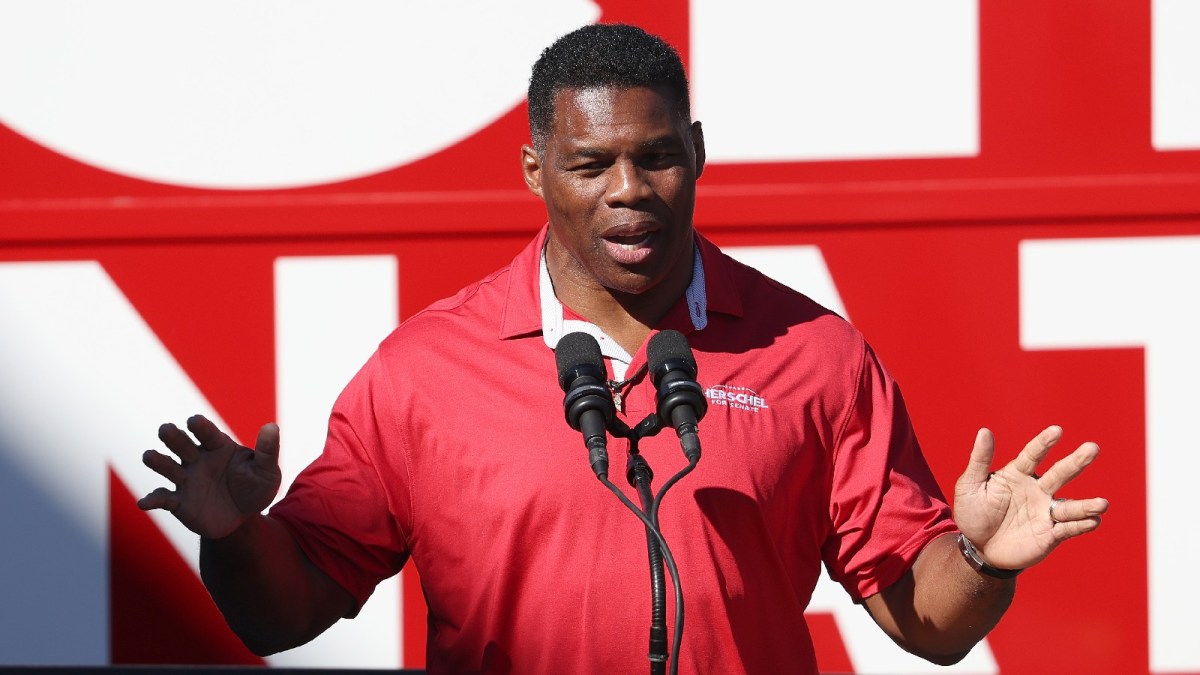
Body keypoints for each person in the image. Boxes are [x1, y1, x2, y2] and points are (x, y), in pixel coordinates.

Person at [138, 23, 1109, 673]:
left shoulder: (814, 353)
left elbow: (926, 624)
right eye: (590, 163)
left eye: (655, 157)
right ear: (534, 170)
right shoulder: (427, 371)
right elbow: (287, 607)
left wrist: (982, 559)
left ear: (696, 151)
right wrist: (232, 538)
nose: (629, 190)